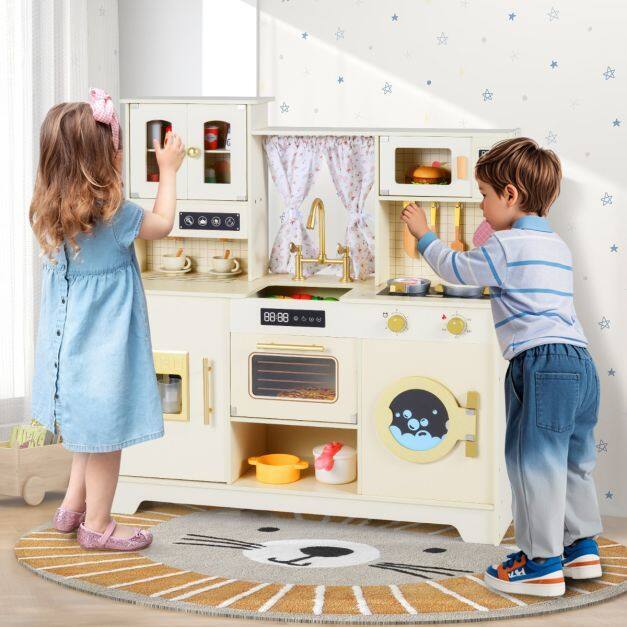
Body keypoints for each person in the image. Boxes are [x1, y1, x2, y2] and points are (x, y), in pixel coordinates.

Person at [401, 137, 603, 597]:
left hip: (541, 364)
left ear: (510, 194)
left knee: (533, 463)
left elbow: (456, 268)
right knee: (574, 460)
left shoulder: (507, 246)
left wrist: (424, 234)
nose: (482, 206)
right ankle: (581, 547)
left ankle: (540, 562)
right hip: (579, 362)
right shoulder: (556, 245)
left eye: (485, 196)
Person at [30, 88, 185, 551]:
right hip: (102, 352)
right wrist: (168, 171)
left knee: (86, 430)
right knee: (105, 438)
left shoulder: (49, 212)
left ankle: (71, 507)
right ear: (103, 159)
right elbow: (163, 223)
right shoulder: (115, 215)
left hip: (65, 354)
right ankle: (97, 525)